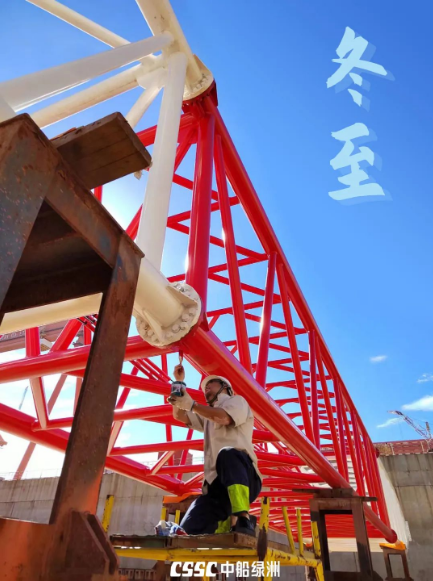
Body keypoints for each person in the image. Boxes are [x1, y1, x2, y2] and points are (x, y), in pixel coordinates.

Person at [167, 364, 262, 536]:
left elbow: (224, 417)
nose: (206, 388)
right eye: (205, 387)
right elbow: (179, 415)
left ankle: (243, 519)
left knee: (227, 454)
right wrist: (178, 383)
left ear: (225, 387)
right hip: (216, 486)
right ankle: (221, 530)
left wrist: (192, 405)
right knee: (186, 533)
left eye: (211, 384)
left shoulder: (237, 401)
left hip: (244, 477)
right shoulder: (207, 416)